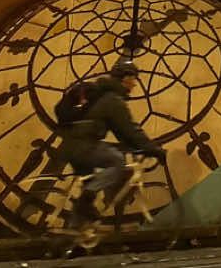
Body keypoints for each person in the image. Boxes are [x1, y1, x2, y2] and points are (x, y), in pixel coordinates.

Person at [58, 60, 166, 227]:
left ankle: (75, 233)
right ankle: (86, 201)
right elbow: (130, 130)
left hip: (72, 146)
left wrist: (136, 146)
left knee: (90, 190)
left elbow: (122, 133)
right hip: (83, 147)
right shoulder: (112, 100)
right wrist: (153, 149)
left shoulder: (101, 94)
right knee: (117, 162)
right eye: (134, 79)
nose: (135, 84)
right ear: (126, 78)